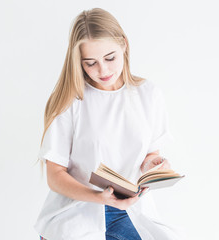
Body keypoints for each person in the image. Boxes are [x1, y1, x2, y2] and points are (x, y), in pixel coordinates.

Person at [35, 7, 180, 240]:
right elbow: (55, 175)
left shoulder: (148, 94)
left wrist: (155, 165)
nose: (103, 70)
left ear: (124, 44)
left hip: (131, 210)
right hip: (78, 211)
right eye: (90, 63)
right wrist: (98, 197)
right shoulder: (70, 101)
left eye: (109, 58)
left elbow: (149, 155)